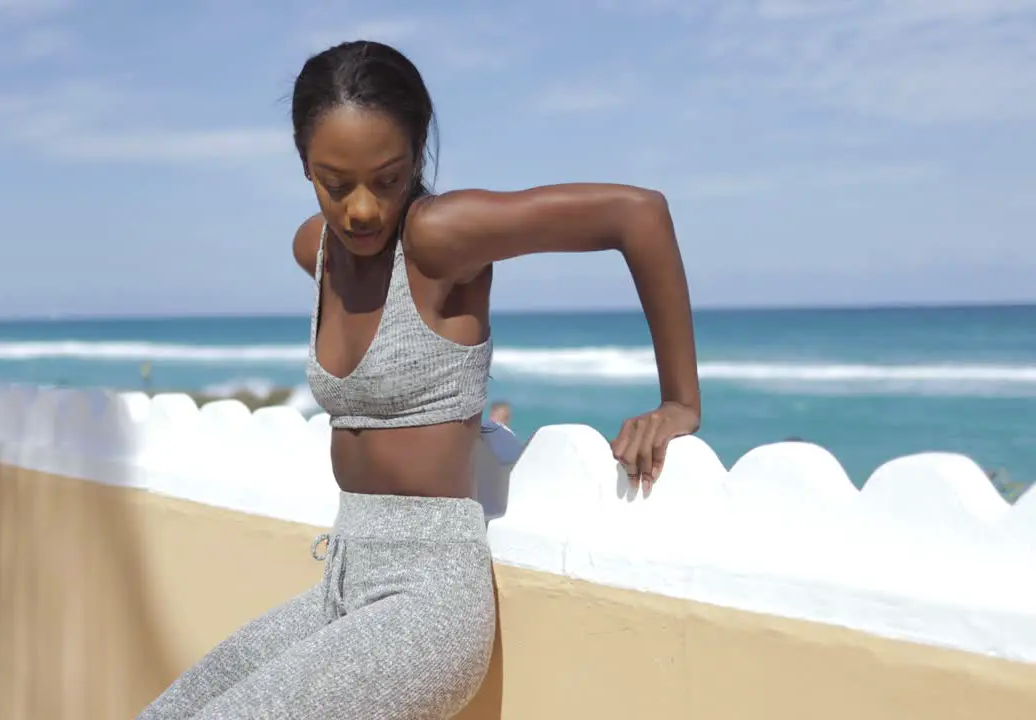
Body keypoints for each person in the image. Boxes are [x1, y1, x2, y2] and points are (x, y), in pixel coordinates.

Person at [138, 40, 701, 719]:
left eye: (389, 178)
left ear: (417, 155)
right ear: (304, 166)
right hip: (342, 583)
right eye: (335, 184)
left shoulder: (438, 238)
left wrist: (678, 402)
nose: (364, 210)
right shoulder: (313, 250)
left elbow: (637, 213)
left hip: (428, 601)